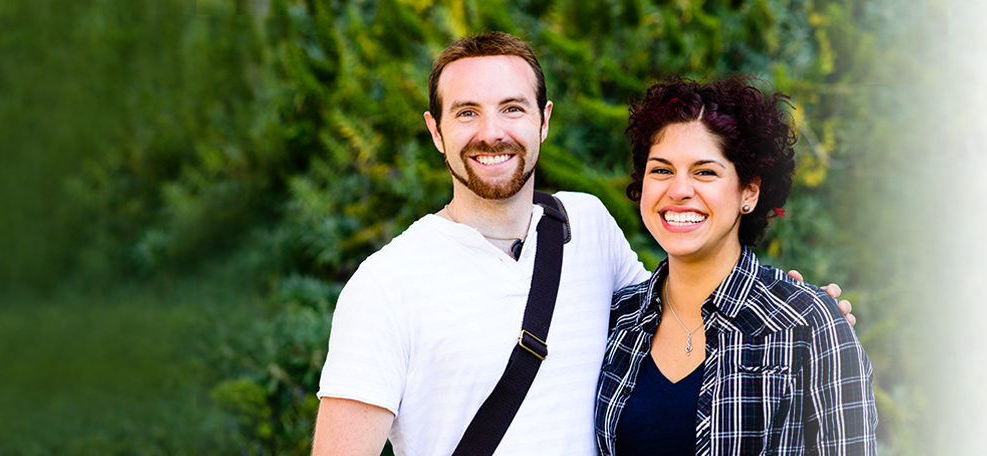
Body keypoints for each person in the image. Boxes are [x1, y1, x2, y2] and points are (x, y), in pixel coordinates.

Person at [312, 32, 852, 456]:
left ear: (543, 122)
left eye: (512, 108)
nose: (491, 131)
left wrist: (794, 313)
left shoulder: (586, 225)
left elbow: (679, 306)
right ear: (436, 131)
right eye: (467, 111)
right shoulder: (385, 285)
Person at [594, 77, 876, 455]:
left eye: (705, 172)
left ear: (749, 191)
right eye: (661, 170)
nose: (678, 190)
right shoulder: (615, 320)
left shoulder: (806, 322)